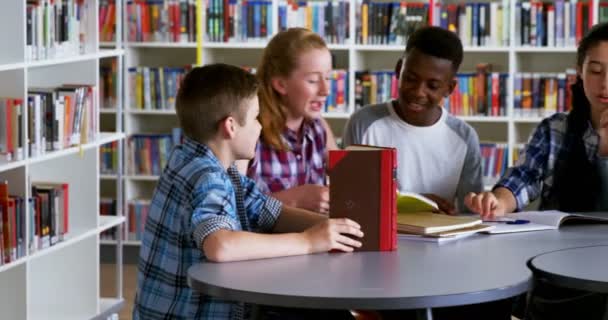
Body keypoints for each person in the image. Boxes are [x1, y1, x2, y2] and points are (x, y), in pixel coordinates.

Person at [132, 63, 363, 320]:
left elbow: (269, 211)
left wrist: (337, 228)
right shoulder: (207, 177)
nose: (260, 127)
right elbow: (220, 246)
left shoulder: (195, 159)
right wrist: (308, 242)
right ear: (230, 126)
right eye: (255, 118)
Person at [465, 22, 608, 320]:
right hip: (561, 271)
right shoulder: (555, 129)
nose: (605, 82)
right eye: (595, 70)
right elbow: (520, 181)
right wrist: (497, 201)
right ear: (579, 71)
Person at [343, 26, 484, 215]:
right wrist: (416, 205)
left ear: (449, 88)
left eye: (432, 86)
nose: (418, 92)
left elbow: (471, 215)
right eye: (410, 79)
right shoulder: (363, 123)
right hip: (377, 240)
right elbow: (349, 200)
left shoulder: (465, 138)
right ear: (398, 70)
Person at [246, 28, 338, 215]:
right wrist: (295, 199)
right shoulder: (250, 132)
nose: (326, 90)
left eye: (328, 77)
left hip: (316, 239)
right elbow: (232, 210)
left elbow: (347, 177)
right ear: (280, 84)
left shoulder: (319, 128)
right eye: (313, 80)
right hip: (269, 242)